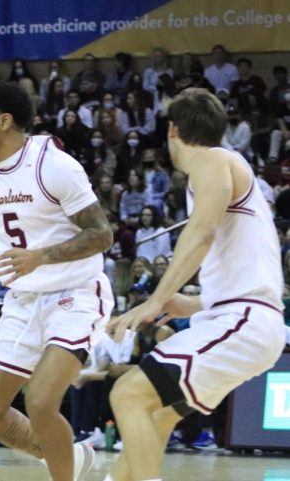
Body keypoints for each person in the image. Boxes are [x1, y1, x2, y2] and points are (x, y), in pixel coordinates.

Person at [105, 88, 287, 481]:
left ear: (172, 130)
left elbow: (201, 233)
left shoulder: (211, 159)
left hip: (244, 321)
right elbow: (241, 272)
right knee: (155, 414)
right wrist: (186, 305)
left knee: (127, 394)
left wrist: (158, 298)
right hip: (241, 318)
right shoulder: (225, 170)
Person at [0, 82, 114, 481]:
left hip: (75, 293)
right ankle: (71, 459)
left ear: (5, 120)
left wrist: (41, 257)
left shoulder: (53, 163)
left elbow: (102, 234)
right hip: (23, 299)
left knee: (41, 400)